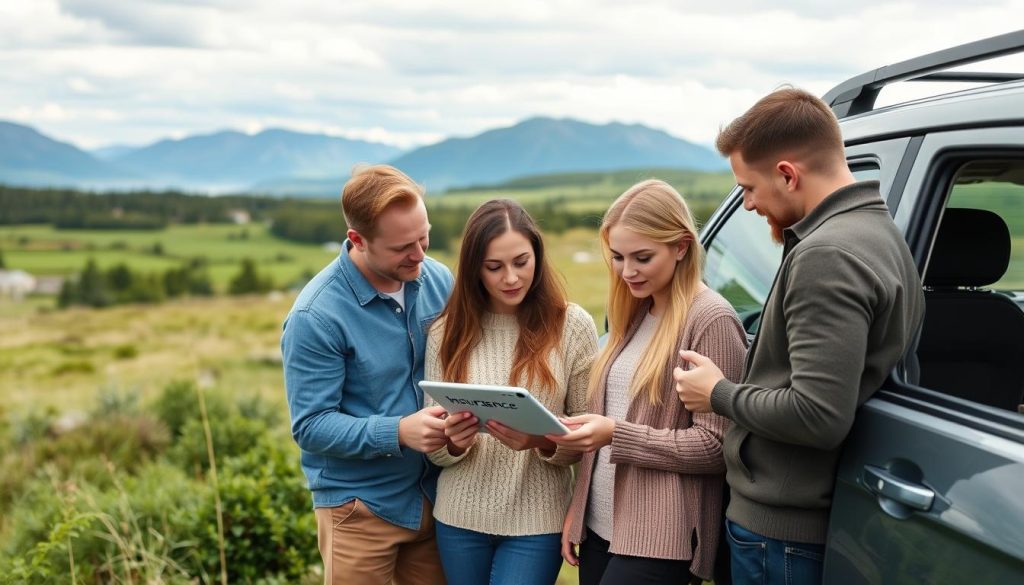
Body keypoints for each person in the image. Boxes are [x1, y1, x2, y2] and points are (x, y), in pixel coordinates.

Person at [674, 88, 925, 585]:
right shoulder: (879, 232)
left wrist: (717, 394)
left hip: (780, 537)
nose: (746, 204)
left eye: (748, 187)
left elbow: (818, 414)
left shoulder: (827, 256)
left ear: (788, 174)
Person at [551, 180, 747, 585]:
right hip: (601, 525)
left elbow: (716, 447)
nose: (628, 271)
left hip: (662, 536)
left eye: (642, 257)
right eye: (619, 257)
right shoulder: (634, 309)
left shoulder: (711, 319)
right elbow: (606, 418)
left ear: (680, 247)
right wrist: (580, 508)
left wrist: (615, 435)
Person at [281, 164, 453, 585]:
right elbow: (311, 426)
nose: (419, 255)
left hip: (434, 498)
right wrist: (398, 432)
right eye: (402, 248)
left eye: (424, 237)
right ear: (357, 240)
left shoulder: (438, 279)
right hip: (358, 511)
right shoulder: (315, 316)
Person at [424, 199, 598, 585]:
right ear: (474, 269)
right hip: (459, 518)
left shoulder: (572, 326)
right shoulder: (446, 331)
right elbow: (434, 445)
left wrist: (541, 440)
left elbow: (589, 437)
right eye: (494, 267)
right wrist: (452, 442)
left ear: (537, 253)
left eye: (521, 262)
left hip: (537, 521)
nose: (511, 278)